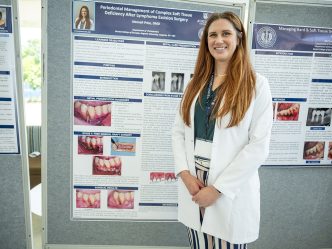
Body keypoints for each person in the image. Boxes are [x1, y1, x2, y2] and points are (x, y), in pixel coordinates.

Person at [172, 12, 272, 249]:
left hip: (228, 185)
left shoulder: (257, 85)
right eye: (212, 35)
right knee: (198, 243)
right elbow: (178, 131)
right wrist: (185, 174)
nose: (219, 40)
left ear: (239, 38)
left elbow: (258, 146)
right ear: (206, 42)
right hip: (194, 181)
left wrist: (217, 190)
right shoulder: (195, 84)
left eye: (226, 33)